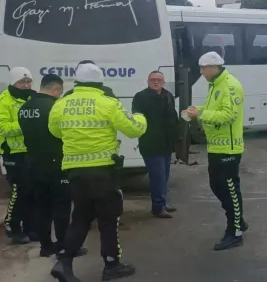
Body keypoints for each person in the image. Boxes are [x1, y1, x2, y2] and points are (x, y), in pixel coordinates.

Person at [48, 62, 147, 281]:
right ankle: (111, 264)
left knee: (81, 217)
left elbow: (55, 131)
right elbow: (134, 129)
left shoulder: (61, 104)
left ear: (77, 82)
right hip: (103, 171)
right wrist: (140, 117)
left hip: (74, 173)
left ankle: (64, 262)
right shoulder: (108, 102)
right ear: (100, 82)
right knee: (108, 218)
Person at [182, 51, 247, 251]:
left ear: (213, 67)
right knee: (217, 186)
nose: (201, 72)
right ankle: (239, 221)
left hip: (229, 148)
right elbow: (215, 110)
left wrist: (201, 113)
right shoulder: (215, 85)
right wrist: (198, 110)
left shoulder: (229, 85)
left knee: (229, 189)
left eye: (203, 68)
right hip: (216, 146)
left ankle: (235, 232)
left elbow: (228, 115)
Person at [18, 74, 87, 257]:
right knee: (62, 206)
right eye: (60, 92)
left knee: (42, 207)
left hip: (33, 163)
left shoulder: (24, 107)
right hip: (56, 163)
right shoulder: (55, 107)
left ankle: (45, 246)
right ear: (55, 89)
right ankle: (63, 245)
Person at [132, 71, 178, 219]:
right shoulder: (141, 97)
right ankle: (158, 208)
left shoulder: (168, 95)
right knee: (157, 176)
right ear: (148, 81)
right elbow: (137, 118)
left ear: (163, 82)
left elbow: (173, 118)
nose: (156, 82)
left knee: (164, 176)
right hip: (151, 143)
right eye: (153, 80)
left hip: (166, 143)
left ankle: (162, 203)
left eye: (159, 80)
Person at [1, 67, 36, 244]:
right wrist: (25, 123)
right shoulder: (4, 101)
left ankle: (29, 228)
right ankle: (12, 226)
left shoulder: (32, 97)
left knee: (32, 191)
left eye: (28, 81)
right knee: (19, 190)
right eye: (22, 82)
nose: (26, 85)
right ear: (14, 83)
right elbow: (3, 128)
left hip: (31, 151)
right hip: (12, 153)